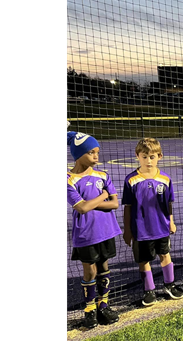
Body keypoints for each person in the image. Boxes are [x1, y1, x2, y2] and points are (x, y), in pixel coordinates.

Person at [65, 131, 122, 328]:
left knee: (104, 267)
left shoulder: (102, 175)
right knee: (89, 271)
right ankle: (89, 309)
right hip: (85, 234)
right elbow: (81, 208)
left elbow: (114, 204)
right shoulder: (68, 179)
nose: (96, 157)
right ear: (78, 154)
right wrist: (102, 196)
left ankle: (103, 305)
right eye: (91, 152)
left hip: (106, 230)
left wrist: (91, 202)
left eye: (97, 152)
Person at [121, 138, 183, 307]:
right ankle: (149, 290)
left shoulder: (165, 179)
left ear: (160, 156)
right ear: (137, 156)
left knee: (165, 254)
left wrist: (171, 222)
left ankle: (169, 285)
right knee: (144, 260)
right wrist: (127, 230)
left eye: (152, 157)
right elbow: (127, 207)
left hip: (162, 227)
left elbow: (169, 203)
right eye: (144, 157)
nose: (148, 161)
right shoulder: (131, 180)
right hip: (141, 229)